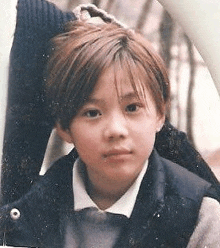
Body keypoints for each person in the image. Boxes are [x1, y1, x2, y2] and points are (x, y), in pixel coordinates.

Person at [1, 20, 220, 248]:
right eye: (93, 113)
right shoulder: (27, 214)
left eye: (132, 108)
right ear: (64, 128)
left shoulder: (200, 218)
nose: (115, 130)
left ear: (159, 115)